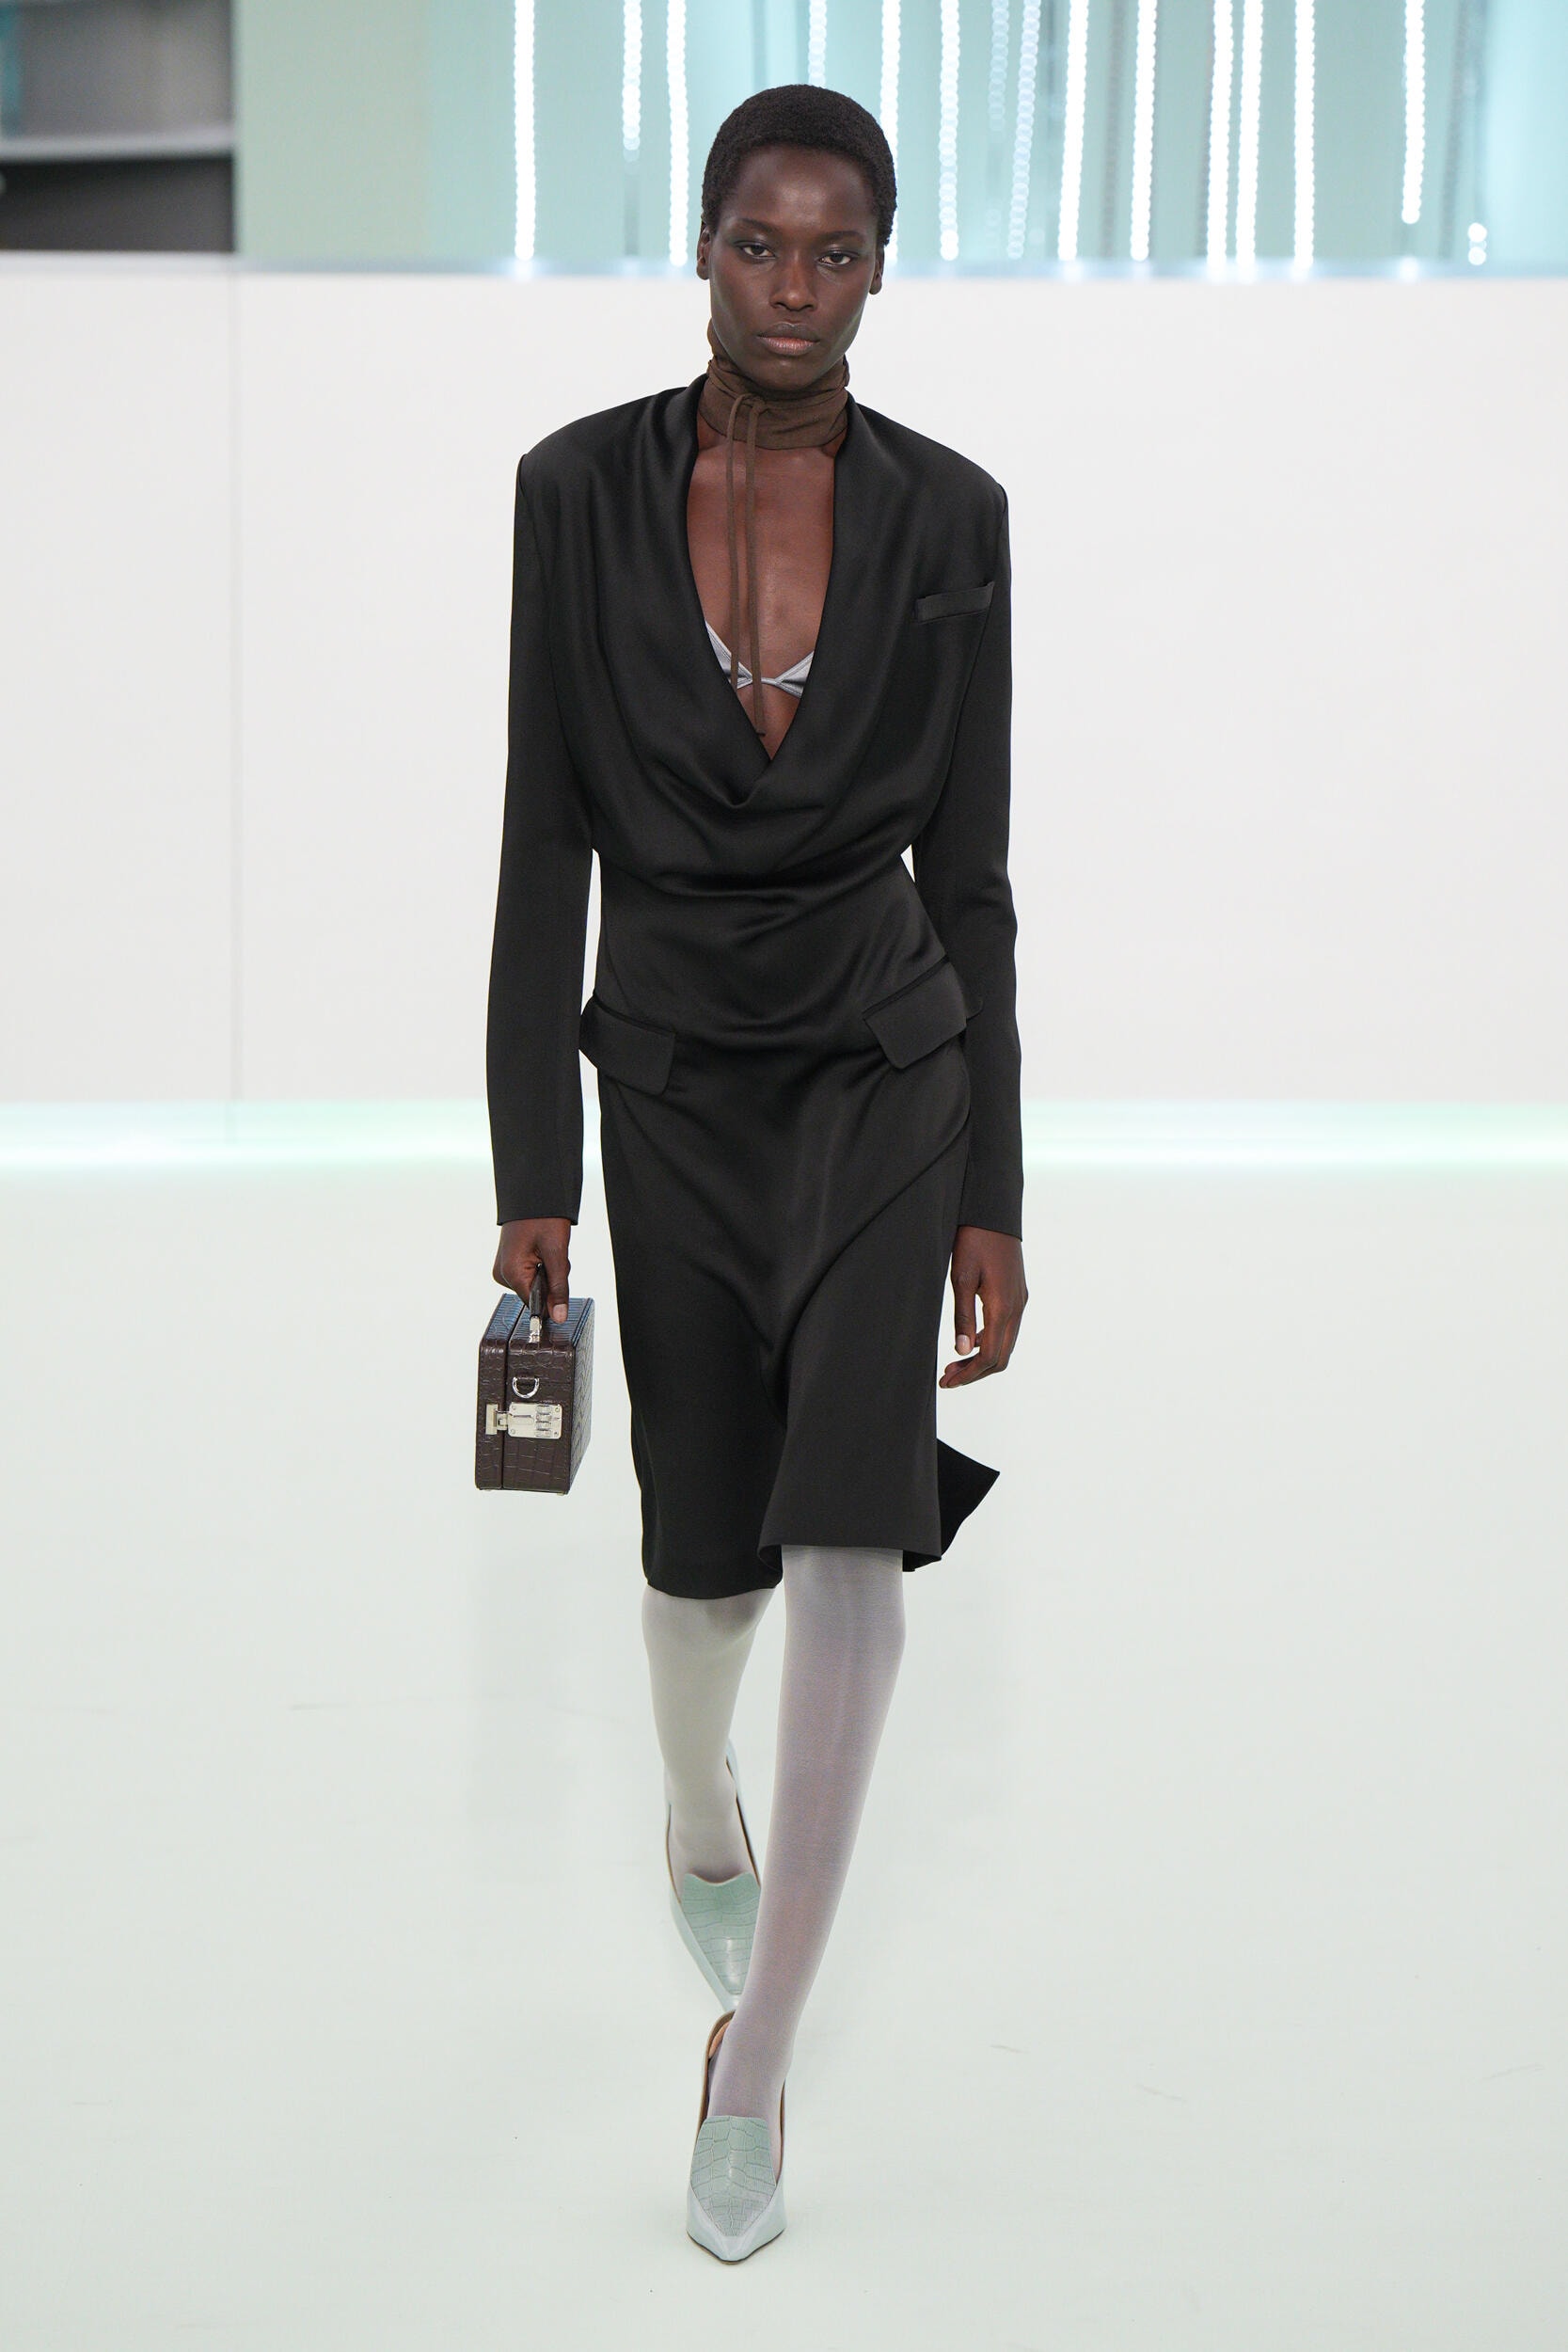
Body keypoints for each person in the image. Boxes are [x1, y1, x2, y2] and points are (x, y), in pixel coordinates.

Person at [485, 83, 1027, 2262]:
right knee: (701, 1562)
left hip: (886, 1063)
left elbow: (971, 874)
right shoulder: (572, 492)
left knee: (851, 1538)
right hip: (673, 1077)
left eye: (836, 252)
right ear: (701, 248)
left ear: (882, 269)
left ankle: (753, 2056)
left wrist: (996, 1189)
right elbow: (542, 834)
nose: (794, 289)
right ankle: (694, 1798)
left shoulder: (956, 514)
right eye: (756, 245)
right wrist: (533, 1159)